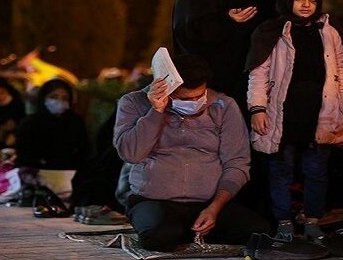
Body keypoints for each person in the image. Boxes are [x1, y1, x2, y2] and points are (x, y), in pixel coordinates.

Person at [113, 54, 269, 251]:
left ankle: (190, 230)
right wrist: (156, 111)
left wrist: (214, 208)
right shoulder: (134, 102)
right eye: (183, 99)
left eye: (198, 96)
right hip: (154, 200)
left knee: (259, 232)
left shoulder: (223, 106)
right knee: (159, 236)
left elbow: (237, 163)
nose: (193, 102)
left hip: (208, 203)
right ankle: (181, 232)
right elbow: (130, 154)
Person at [246, 0, 343, 242]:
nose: (306, 4)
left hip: (319, 114)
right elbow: (259, 73)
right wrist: (257, 108)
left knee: (316, 171)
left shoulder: (329, 33)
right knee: (281, 170)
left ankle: (313, 220)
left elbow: (340, 74)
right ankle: (283, 221)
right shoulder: (272, 31)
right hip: (283, 116)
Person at [172, 0, 285, 111]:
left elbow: (272, 21)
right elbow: (189, 30)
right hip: (209, 87)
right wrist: (225, 20)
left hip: (252, 87)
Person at [15, 79, 90, 170]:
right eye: (54, 96)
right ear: (43, 98)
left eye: (64, 98)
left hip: (69, 175)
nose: (59, 101)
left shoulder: (75, 122)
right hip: (37, 174)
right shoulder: (29, 124)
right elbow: (23, 156)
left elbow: (84, 150)